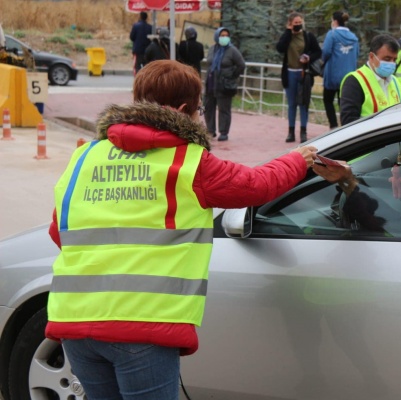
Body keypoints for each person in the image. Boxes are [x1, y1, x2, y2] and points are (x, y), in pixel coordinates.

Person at [45, 60, 317, 400]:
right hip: (143, 327)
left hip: (74, 324)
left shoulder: (85, 157)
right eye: (201, 108)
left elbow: (60, 232)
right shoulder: (188, 161)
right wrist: (297, 159)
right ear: (186, 109)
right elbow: (257, 185)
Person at [276, 12, 322, 143]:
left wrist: (308, 57)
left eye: (299, 22)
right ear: (290, 24)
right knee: (292, 104)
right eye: (295, 23)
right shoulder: (287, 36)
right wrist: (288, 31)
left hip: (304, 73)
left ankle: (303, 132)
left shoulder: (308, 36)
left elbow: (318, 52)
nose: (297, 25)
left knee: (303, 103)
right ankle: (291, 132)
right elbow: (280, 48)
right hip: (290, 73)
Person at [339, 34, 401, 126]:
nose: (392, 64)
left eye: (394, 59)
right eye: (387, 59)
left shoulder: (395, 82)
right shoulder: (354, 81)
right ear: (372, 57)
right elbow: (348, 123)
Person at [205, 27, 245, 141]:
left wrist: (232, 76)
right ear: (217, 36)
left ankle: (223, 132)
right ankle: (210, 131)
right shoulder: (212, 49)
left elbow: (241, 65)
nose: (224, 38)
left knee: (224, 109)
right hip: (211, 83)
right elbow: (209, 63)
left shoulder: (232, 50)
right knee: (208, 107)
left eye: (226, 35)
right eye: (222, 35)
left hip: (224, 85)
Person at [321, 11, 359, 129]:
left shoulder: (331, 35)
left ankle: (333, 126)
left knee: (328, 100)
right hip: (349, 76)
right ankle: (345, 127)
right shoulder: (354, 38)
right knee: (344, 103)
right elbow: (356, 54)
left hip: (333, 75)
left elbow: (326, 52)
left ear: (335, 21)